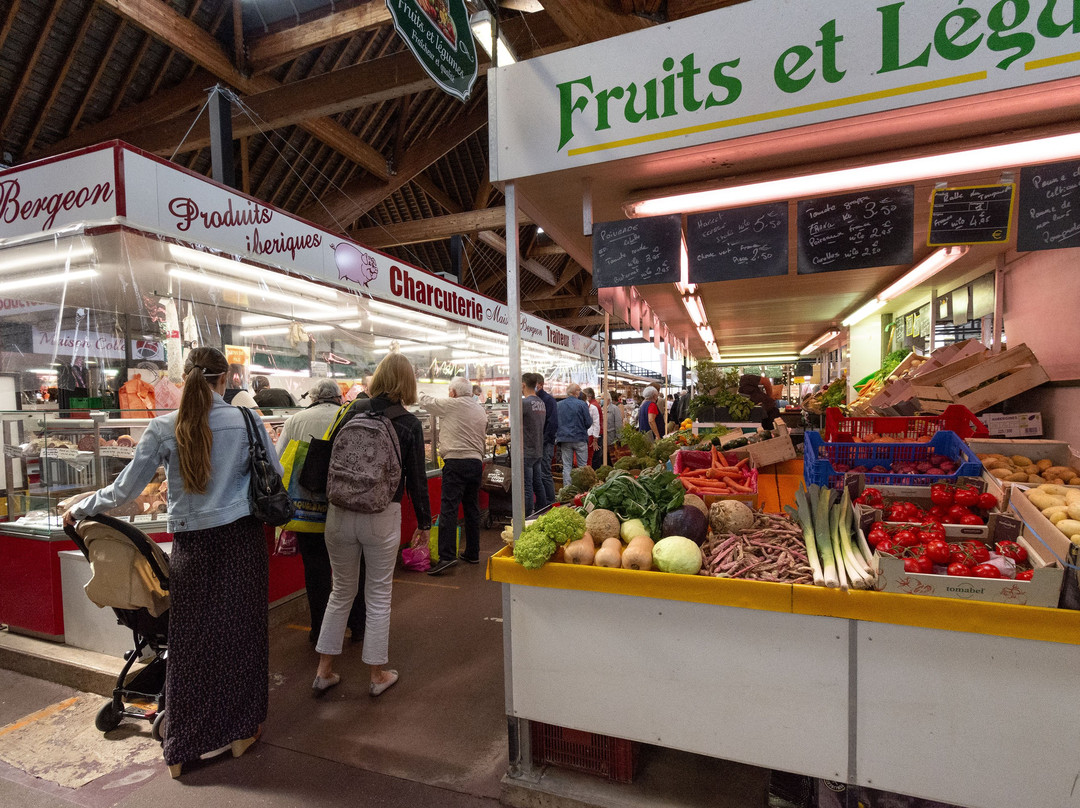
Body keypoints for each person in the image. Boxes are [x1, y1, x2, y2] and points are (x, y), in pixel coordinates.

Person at [63, 347, 273, 778]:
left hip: (192, 549)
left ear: (186, 379)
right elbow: (273, 476)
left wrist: (82, 507)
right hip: (241, 544)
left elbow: (122, 493)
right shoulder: (247, 420)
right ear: (225, 379)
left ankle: (181, 749)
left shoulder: (163, 427)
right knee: (241, 637)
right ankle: (238, 732)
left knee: (190, 647)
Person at [313, 352, 431, 698]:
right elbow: (418, 479)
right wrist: (424, 522)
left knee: (340, 592)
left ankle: (324, 671)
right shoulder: (408, 423)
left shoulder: (351, 410)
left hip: (338, 513)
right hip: (381, 514)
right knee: (378, 595)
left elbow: (328, 454)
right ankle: (377, 675)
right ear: (408, 383)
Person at [277, 379, 365, 645]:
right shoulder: (349, 416)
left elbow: (279, 459)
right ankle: (357, 624)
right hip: (343, 506)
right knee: (352, 568)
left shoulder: (296, 420)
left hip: (306, 510)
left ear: (312, 398)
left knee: (315, 571)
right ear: (339, 397)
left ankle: (319, 629)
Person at [420, 376, 488, 575]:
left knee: (448, 509)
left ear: (453, 392)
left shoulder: (451, 404)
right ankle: (472, 552)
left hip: (456, 461)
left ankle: (447, 556)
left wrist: (417, 390)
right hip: (476, 462)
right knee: (471, 507)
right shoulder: (479, 409)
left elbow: (425, 402)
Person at [520, 373, 547, 515]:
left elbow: (517, 426)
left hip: (526, 450)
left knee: (527, 486)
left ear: (523, 385)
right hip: (538, 448)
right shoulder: (541, 402)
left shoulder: (524, 403)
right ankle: (542, 511)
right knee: (538, 483)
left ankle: (527, 517)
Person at [556, 383, 592, 486]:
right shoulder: (582, 404)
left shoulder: (559, 405)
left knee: (567, 466)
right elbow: (588, 422)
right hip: (580, 438)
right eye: (579, 390)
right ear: (576, 392)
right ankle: (582, 489)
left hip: (564, 439)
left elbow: (556, 422)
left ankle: (568, 490)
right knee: (582, 467)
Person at [534, 375, 558, 508]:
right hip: (537, 443)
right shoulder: (534, 400)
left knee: (545, 473)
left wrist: (544, 440)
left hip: (545, 443)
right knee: (539, 474)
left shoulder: (548, 400)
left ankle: (550, 502)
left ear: (540, 384)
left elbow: (553, 423)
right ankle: (542, 503)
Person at [584, 387, 603, 469]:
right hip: (595, 434)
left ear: (589, 396)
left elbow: (596, 423)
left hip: (593, 434)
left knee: (592, 458)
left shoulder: (593, 406)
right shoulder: (595, 404)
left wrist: (595, 438)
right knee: (592, 457)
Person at [605, 390, 624, 465]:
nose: (601, 400)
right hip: (604, 439)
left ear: (609, 399)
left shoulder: (615, 409)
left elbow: (618, 423)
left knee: (613, 457)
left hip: (612, 437)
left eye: (603, 398)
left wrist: (619, 437)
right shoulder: (602, 408)